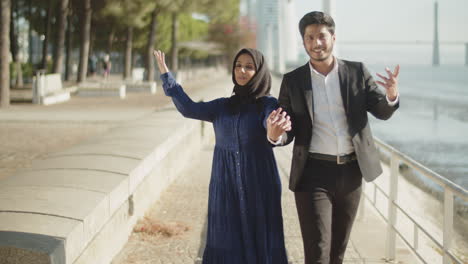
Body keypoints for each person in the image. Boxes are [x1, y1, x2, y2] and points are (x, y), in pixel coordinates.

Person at [266, 11, 400, 264]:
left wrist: (391, 96)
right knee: (317, 252)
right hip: (312, 173)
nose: (316, 43)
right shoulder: (293, 81)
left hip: (351, 173)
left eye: (322, 36)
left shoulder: (357, 72)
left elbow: (382, 112)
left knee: (337, 252)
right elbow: (287, 129)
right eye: (310, 37)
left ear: (334, 38)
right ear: (303, 42)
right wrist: (276, 137)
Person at [154, 48, 290, 264]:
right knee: (226, 236)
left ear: (260, 71)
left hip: (259, 182)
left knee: (262, 236)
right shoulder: (222, 106)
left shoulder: (267, 104)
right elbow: (188, 109)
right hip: (225, 182)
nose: (242, 71)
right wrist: (166, 76)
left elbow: (272, 123)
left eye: (249, 66)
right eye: (238, 65)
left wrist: (274, 133)